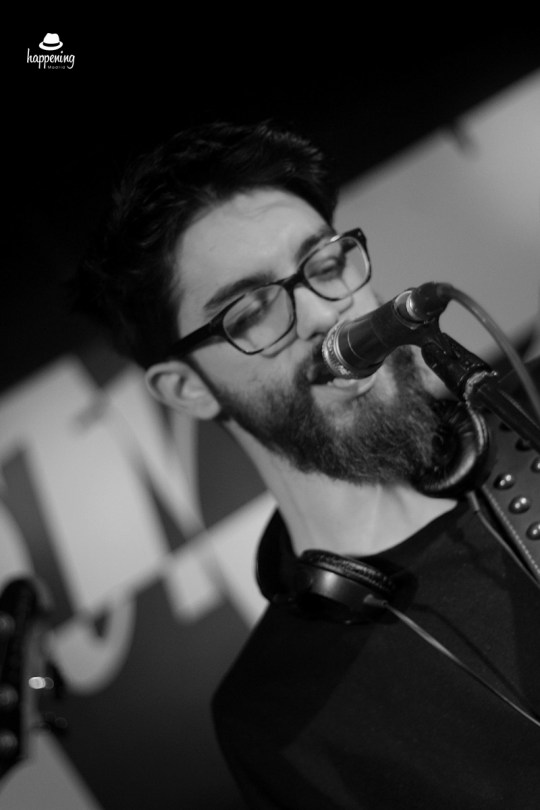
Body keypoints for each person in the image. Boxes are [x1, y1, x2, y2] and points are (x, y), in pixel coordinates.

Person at [75, 120, 540, 809]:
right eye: (252, 309)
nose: (325, 314)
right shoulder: (273, 720)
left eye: (323, 264)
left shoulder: (529, 422)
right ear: (189, 389)